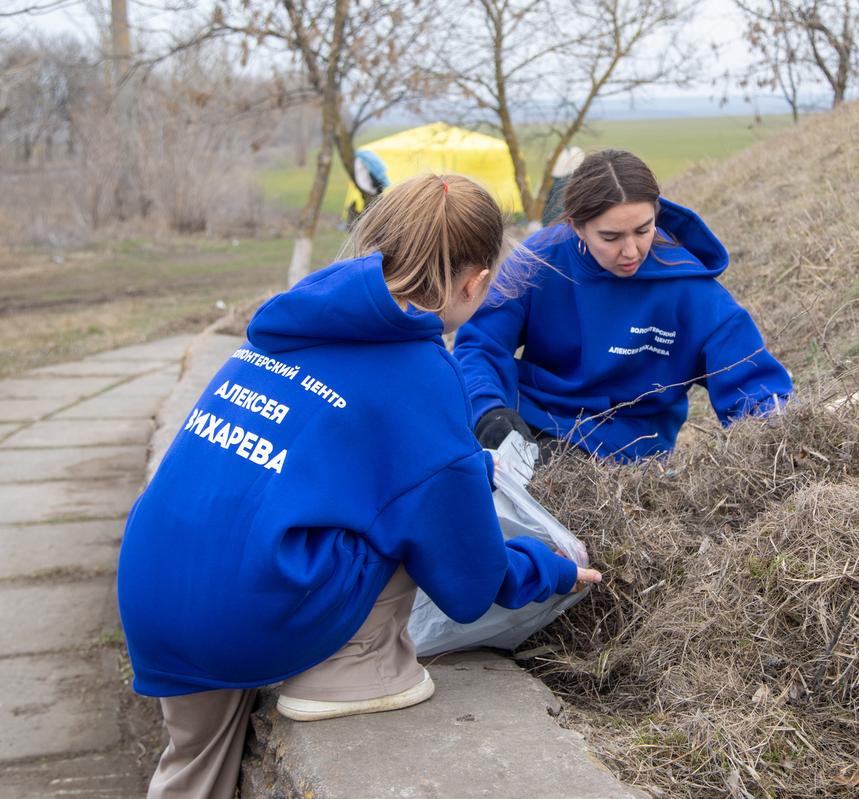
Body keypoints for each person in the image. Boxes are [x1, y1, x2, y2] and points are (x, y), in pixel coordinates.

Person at [117, 174, 602, 799]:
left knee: (195, 767)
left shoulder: (287, 325)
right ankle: (350, 673)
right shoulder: (423, 376)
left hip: (155, 594)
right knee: (412, 508)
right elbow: (468, 582)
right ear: (475, 283)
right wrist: (552, 568)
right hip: (255, 612)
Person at [454, 148, 793, 463]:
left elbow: (752, 382)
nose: (631, 251)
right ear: (576, 227)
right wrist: (487, 412)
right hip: (528, 416)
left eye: (643, 230)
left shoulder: (689, 288)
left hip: (620, 445)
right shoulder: (539, 260)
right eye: (611, 237)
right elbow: (481, 345)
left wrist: (779, 430)